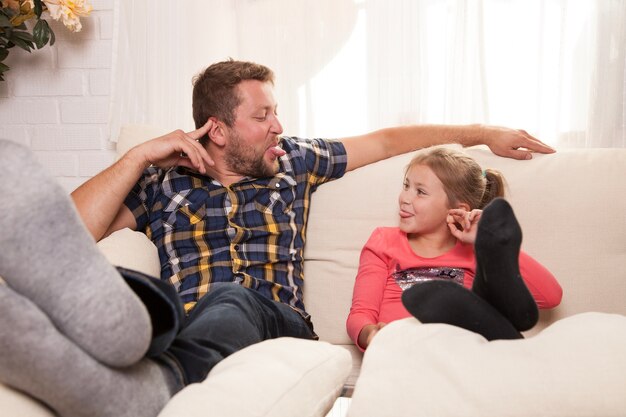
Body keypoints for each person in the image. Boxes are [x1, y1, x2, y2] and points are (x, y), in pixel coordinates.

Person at [0, 60, 555, 417]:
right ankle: (112, 340)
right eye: (262, 115)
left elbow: (387, 139)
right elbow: (68, 234)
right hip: (189, 324)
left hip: (280, 325)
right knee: (150, 300)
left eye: (276, 112)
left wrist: (482, 132)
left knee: (233, 297)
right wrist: (139, 155)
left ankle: (150, 380)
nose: (278, 126)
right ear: (217, 129)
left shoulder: (294, 162)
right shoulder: (163, 183)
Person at [347, 148, 563, 350]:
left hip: (459, 351)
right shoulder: (384, 241)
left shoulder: (474, 252)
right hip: (402, 348)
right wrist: (371, 334)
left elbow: (550, 296)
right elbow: (361, 313)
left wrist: (484, 242)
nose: (405, 198)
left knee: (494, 314)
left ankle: (494, 251)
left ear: (457, 210)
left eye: (420, 192)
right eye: (406, 186)